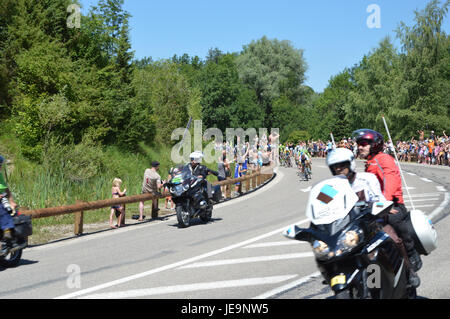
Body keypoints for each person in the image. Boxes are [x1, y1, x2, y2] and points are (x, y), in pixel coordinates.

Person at [326, 147, 420, 288]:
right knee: (331, 254)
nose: (339, 169)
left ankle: (409, 272)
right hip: (348, 230)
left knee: (394, 238)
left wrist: (382, 207)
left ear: (350, 163)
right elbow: (321, 205)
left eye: (342, 165)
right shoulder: (329, 187)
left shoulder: (366, 179)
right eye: (335, 166)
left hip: (371, 224)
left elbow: (379, 199)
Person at [352, 129, 422, 284]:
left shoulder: (384, 159)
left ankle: (410, 261)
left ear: (374, 145)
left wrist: (385, 203)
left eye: (363, 143)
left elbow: (390, 180)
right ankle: (371, 279)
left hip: (393, 205)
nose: (359, 147)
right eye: (358, 144)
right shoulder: (369, 163)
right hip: (375, 209)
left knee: (393, 222)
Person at [0, 155, 17, 255]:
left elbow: (6, 189)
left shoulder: (0, 175)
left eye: (1, 165)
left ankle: (7, 233)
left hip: (2, 200)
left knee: (2, 212)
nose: (1, 167)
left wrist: (11, 201)